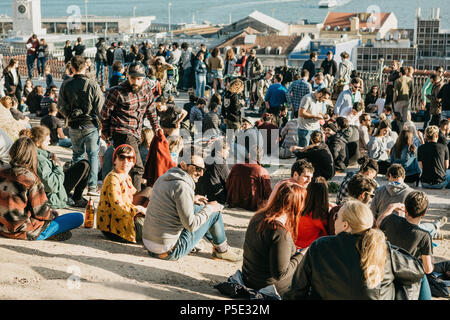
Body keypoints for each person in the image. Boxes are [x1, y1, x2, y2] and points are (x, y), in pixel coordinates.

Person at [284, 200, 425, 300]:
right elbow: (419, 271)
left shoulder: (319, 246)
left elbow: (297, 289)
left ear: (345, 225)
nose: (334, 219)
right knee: (412, 279)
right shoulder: (383, 250)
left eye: (336, 216)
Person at [142, 153, 241, 262]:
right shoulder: (182, 186)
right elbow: (191, 225)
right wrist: (210, 208)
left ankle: (219, 246)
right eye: (197, 168)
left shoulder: (163, 179)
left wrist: (191, 199)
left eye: (203, 169)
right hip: (169, 252)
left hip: (149, 247)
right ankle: (222, 251)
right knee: (214, 213)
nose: (201, 173)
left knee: (199, 209)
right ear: (183, 165)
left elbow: (167, 202)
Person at [0, 137, 84, 241]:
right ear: (32, 156)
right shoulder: (30, 178)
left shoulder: (2, 171)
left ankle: (52, 232)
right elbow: (41, 213)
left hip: (2, 227)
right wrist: (52, 214)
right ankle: (49, 233)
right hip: (23, 231)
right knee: (78, 217)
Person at [102, 61, 162, 192]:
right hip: (122, 131)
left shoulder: (146, 87)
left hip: (137, 132)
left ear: (144, 78)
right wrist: (106, 134)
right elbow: (104, 114)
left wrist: (156, 127)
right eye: (132, 78)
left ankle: (119, 192)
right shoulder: (117, 92)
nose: (135, 81)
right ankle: (135, 201)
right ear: (127, 76)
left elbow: (151, 110)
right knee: (137, 167)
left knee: (124, 167)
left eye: (139, 78)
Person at [242, 181, 306, 295]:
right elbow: (280, 274)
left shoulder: (259, 217)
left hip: (248, 279)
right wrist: (302, 255)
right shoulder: (279, 232)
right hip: (268, 287)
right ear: (297, 205)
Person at [377, 191, 445, 300]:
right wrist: (431, 261)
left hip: (387, 268)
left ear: (405, 208)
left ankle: (435, 226)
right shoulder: (424, 236)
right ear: (424, 213)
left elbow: (378, 223)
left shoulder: (391, 219)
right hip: (407, 274)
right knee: (423, 276)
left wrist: (390, 207)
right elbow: (428, 270)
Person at [57, 56, 104, 197]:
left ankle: (76, 183)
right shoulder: (92, 84)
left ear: (71, 67)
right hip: (90, 124)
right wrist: (100, 122)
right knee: (93, 156)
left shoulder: (66, 84)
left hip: (74, 125)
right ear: (85, 67)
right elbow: (100, 107)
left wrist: (69, 116)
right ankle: (92, 186)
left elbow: (60, 106)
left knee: (77, 155)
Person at [23, 126, 90, 208]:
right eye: (47, 141)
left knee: (84, 164)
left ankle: (77, 198)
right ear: (37, 143)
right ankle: (77, 198)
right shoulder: (40, 160)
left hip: (53, 184)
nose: (49, 142)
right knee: (84, 165)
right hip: (52, 192)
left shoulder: (36, 154)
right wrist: (58, 166)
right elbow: (51, 186)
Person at [97, 144, 147, 244]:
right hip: (115, 228)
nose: (125, 161)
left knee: (150, 191)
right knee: (160, 229)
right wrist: (139, 209)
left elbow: (135, 196)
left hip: (125, 218)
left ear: (133, 162)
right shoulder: (113, 178)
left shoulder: (126, 177)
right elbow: (118, 208)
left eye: (130, 158)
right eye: (122, 157)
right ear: (115, 160)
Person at [226, 146, 272, 211]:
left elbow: (228, 183)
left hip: (234, 202)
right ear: (261, 157)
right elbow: (268, 192)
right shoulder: (262, 170)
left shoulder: (236, 166)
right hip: (252, 205)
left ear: (249, 155)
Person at [295, 176, 333, 249]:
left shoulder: (299, 209)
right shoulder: (322, 216)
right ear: (325, 195)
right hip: (313, 249)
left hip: (296, 247)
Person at [196, 139, 230, 204]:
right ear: (221, 149)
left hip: (202, 193)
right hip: (216, 196)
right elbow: (228, 181)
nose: (228, 153)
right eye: (227, 150)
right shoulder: (221, 162)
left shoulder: (207, 159)